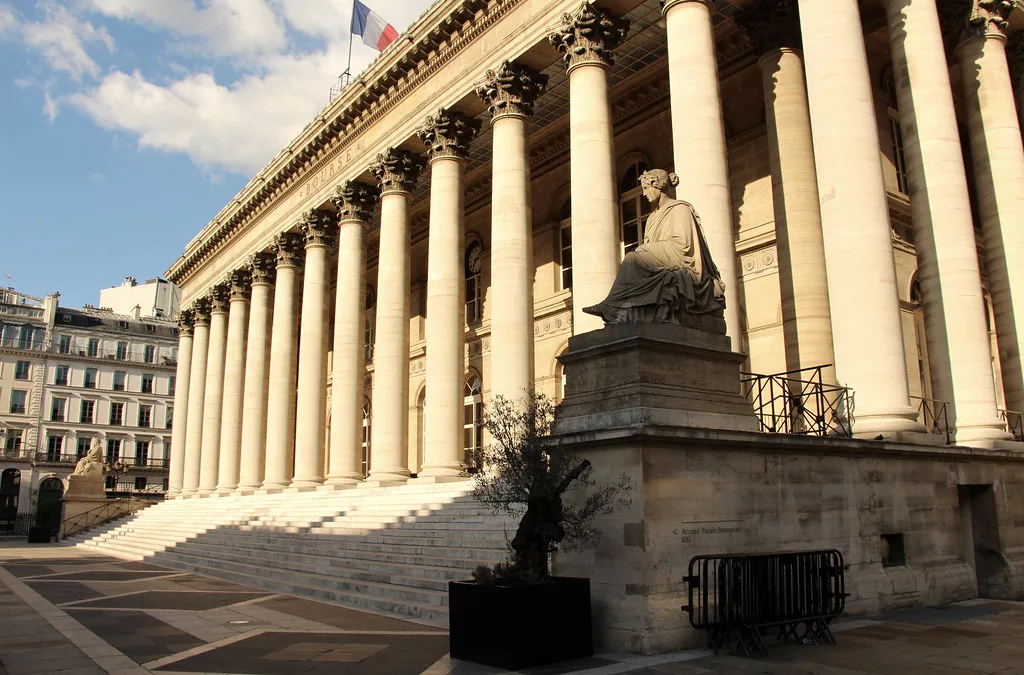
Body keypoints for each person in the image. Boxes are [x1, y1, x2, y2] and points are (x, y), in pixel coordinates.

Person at [583, 168, 725, 327]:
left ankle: (611, 305)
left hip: (680, 257)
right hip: (662, 260)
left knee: (633, 257)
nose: (644, 194)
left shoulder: (680, 209)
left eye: (646, 188)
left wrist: (647, 251)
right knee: (637, 259)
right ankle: (619, 308)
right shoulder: (651, 218)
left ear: (658, 185)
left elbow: (685, 245)